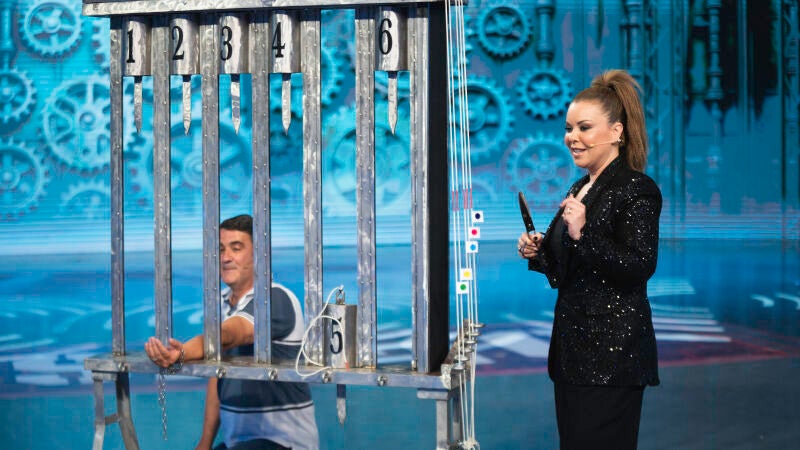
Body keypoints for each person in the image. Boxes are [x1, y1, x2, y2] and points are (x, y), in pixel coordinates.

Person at [517, 70, 661, 450]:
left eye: (584, 128)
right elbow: (569, 270)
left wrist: (583, 234)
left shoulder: (636, 189)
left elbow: (639, 266)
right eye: (569, 128)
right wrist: (539, 251)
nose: (572, 137)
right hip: (572, 356)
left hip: (611, 361)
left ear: (616, 132)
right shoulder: (580, 186)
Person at [145, 214, 319, 450]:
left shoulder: (275, 298)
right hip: (238, 442)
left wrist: (182, 352)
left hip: (284, 442)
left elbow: (233, 334)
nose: (225, 257)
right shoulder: (222, 303)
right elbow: (217, 373)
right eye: (220, 249)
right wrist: (205, 442)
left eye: (236, 249)